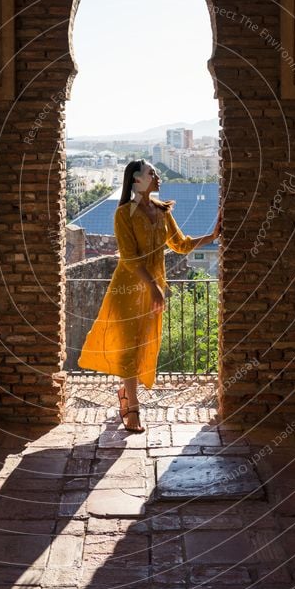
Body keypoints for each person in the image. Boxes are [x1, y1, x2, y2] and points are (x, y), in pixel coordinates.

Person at [77, 159, 221, 432]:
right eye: (151, 173)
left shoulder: (162, 210)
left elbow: (180, 245)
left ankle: (125, 393)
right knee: (128, 347)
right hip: (128, 289)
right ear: (136, 180)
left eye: (155, 172)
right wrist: (154, 287)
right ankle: (133, 409)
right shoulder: (124, 214)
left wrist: (212, 235)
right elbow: (130, 259)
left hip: (151, 291)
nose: (157, 176)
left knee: (142, 345)